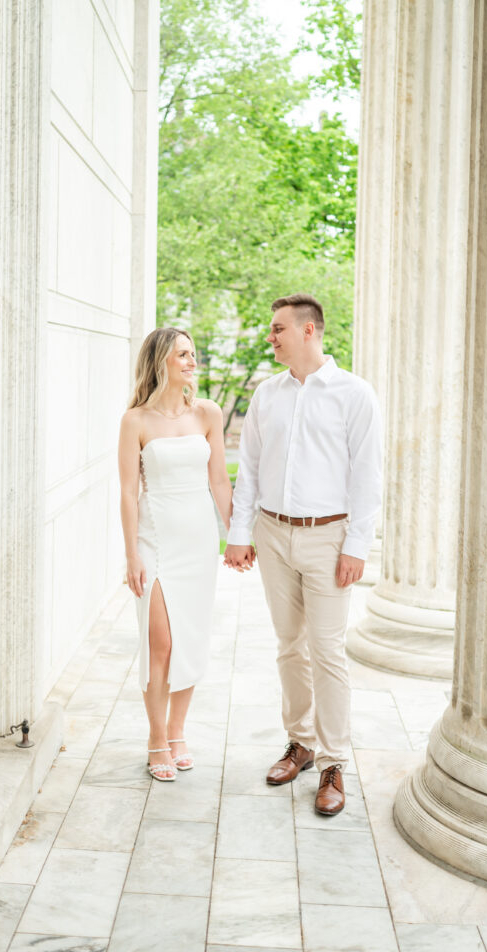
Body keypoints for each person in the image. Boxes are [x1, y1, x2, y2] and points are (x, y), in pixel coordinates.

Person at [225, 294, 382, 815]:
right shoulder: (267, 395)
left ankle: (335, 762)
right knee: (289, 646)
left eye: (278, 329)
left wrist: (357, 545)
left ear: (308, 330)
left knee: (328, 651)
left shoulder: (354, 394)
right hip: (272, 534)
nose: (271, 337)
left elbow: (366, 476)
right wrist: (238, 533)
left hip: (328, 538)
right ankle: (302, 744)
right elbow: (247, 468)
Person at [118, 327, 232, 781]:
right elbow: (129, 493)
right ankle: (155, 737)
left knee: (189, 637)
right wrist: (131, 556)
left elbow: (220, 482)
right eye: (182, 354)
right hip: (156, 540)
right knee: (160, 641)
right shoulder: (136, 421)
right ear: (161, 360)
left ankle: (178, 732)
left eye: (192, 354)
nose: (191, 361)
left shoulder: (208, 413)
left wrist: (237, 536)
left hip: (199, 540)